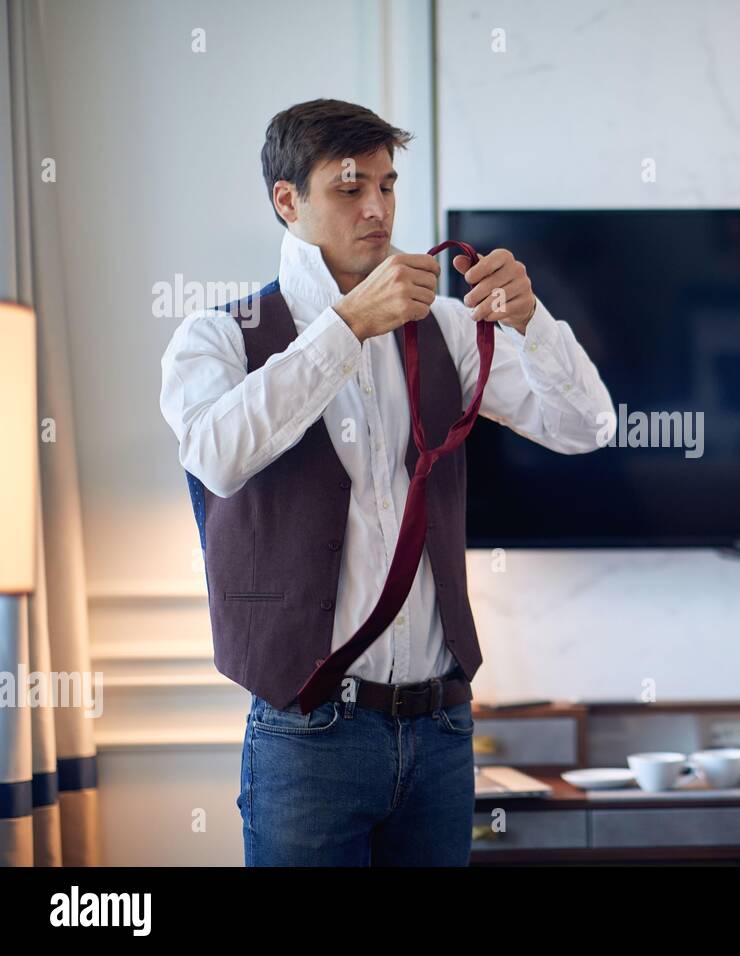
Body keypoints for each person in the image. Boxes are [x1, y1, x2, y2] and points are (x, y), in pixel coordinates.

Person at [159, 99, 614, 865]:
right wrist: (344, 330)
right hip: (307, 738)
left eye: (388, 185)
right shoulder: (215, 336)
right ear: (287, 201)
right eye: (349, 188)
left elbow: (585, 428)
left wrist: (533, 322)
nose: (377, 208)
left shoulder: (444, 328)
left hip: (441, 732)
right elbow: (216, 454)